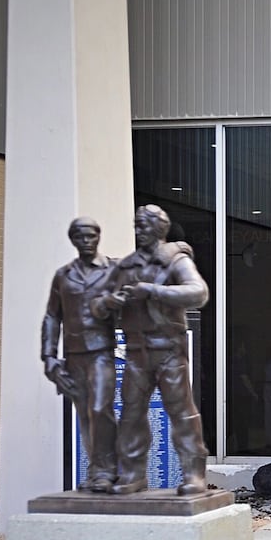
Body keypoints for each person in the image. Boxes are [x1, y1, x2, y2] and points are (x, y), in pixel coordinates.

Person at [98, 204, 211, 496]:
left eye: (144, 225)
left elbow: (198, 293)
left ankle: (193, 475)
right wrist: (113, 301)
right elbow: (101, 302)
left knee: (181, 412)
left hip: (168, 350)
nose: (138, 230)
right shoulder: (127, 265)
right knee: (132, 414)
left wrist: (152, 291)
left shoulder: (174, 260)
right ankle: (132, 475)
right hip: (137, 351)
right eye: (135, 225)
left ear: (160, 228)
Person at [41, 217, 119, 492]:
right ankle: (98, 470)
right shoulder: (64, 276)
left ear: (98, 237)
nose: (86, 242)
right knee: (85, 415)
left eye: (91, 236)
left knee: (100, 409)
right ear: (73, 240)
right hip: (74, 355)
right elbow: (52, 316)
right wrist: (48, 357)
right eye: (80, 237)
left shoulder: (114, 270)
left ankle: (107, 469)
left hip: (101, 352)